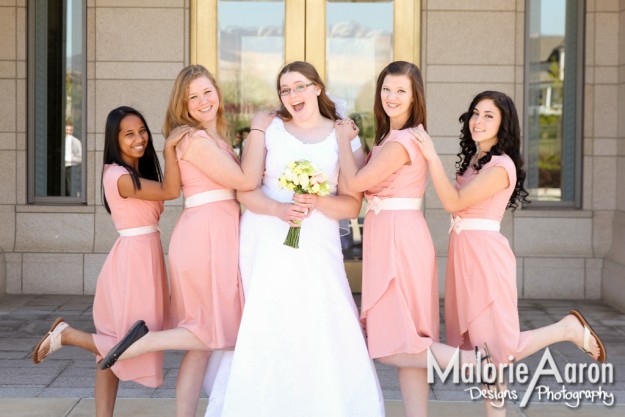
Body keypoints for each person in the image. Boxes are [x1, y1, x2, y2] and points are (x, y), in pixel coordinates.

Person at [204, 61, 384, 417]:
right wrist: (277, 209)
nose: (292, 96)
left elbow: (351, 204)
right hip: (266, 237)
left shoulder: (343, 135)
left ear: (317, 88)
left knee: (320, 317)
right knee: (268, 317)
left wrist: (316, 202)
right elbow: (245, 190)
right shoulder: (270, 129)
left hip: (317, 243)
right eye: (285, 90)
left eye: (299, 86)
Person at [412, 90, 607, 416]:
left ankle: (566, 329)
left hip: (485, 258)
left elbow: (453, 203)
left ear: (504, 123)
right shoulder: (478, 159)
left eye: (489, 115)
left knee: (495, 350)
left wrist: (431, 157)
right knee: (484, 350)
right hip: (465, 256)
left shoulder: (500, 166)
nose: (478, 120)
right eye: (475, 113)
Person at [98, 65, 269, 417]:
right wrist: (258, 131)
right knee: (212, 330)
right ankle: (139, 343)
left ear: (218, 93)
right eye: (193, 96)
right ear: (183, 105)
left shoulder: (213, 137)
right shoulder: (194, 140)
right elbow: (245, 179)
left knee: (203, 343)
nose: (203, 101)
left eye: (208, 92)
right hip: (205, 238)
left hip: (213, 233)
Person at [336, 61, 484, 417]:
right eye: (386, 89)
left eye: (401, 90)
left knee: (390, 346)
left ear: (415, 95)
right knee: (410, 344)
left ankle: (478, 365)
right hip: (397, 233)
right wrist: (355, 141)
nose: (392, 97)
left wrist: (341, 141)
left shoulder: (402, 141)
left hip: (397, 239)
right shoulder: (393, 136)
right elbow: (367, 174)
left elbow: (355, 183)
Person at [32, 106, 188, 417]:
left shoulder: (135, 173)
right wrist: (171, 144)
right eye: (129, 134)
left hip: (143, 255)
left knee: (118, 341)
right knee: (131, 340)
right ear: (114, 140)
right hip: (134, 262)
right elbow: (172, 190)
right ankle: (68, 335)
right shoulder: (118, 175)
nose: (139, 138)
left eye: (142, 131)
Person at [65, 122, 83, 197]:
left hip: (72, 167)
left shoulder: (76, 141)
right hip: (61, 167)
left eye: (70, 130)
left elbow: (81, 157)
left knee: (70, 186)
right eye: (67, 130)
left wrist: (68, 159)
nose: (68, 132)